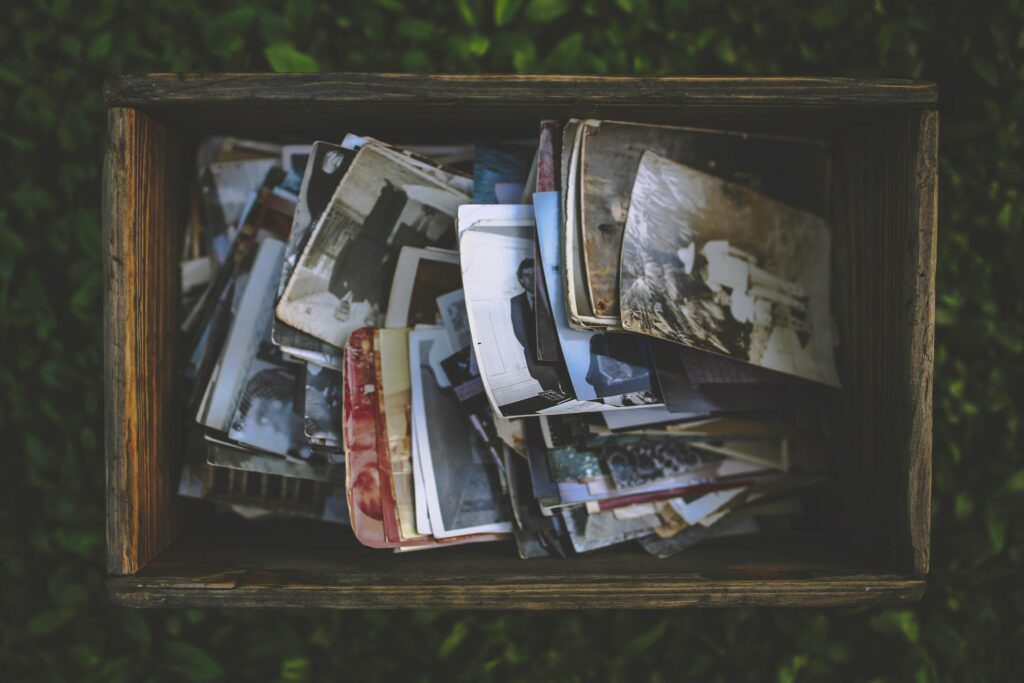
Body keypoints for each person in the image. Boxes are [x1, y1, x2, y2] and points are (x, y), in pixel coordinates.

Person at [509, 258, 566, 396]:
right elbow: (519, 332)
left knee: (571, 389)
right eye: (527, 276)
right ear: (521, 280)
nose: (531, 279)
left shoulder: (550, 295)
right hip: (537, 358)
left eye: (534, 275)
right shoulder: (516, 302)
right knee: (552, 394)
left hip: (561, 354)